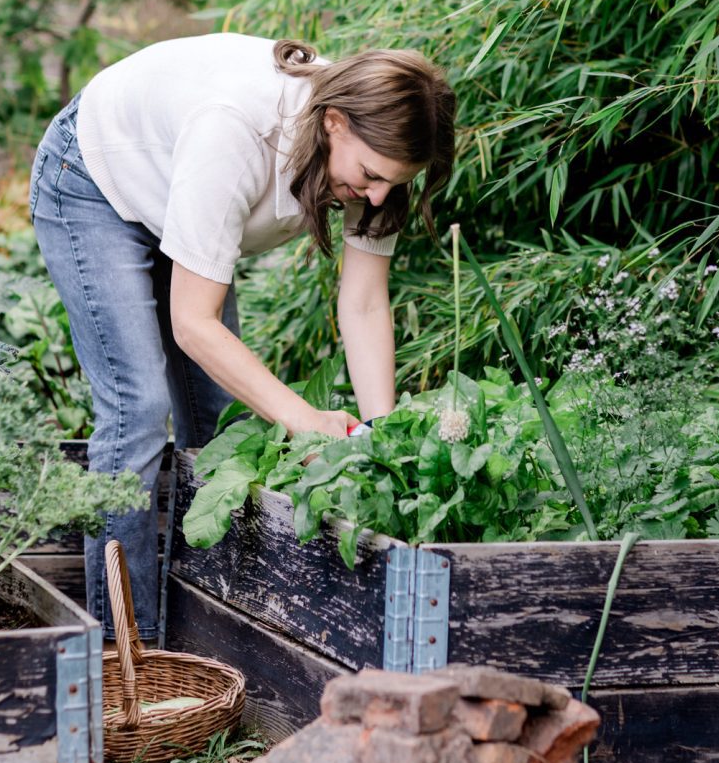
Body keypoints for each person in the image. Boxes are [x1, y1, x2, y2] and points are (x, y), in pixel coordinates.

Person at [29, 33, 456, 641]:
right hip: (96, 177)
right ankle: (126, 654)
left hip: (181, 191)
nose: (379, 195)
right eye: (371, 176)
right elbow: (193, 323)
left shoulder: (376, 162)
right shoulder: (236, 131)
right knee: (138, 410)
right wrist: (303, 419)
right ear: (333, 123)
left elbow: (363, 304)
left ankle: (203, 636)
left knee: (221, 428)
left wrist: (382, 438)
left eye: (395, 182)